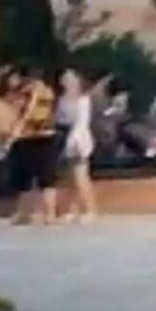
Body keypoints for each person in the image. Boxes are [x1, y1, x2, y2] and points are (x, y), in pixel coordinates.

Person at [9, 67, 60, 225]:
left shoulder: (33, 90)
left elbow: (29, 109)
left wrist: (18, 126)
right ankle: (46, 214)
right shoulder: (47, 91)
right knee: (43, 178)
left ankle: (29, 214)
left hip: (34, 136)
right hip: (41, 136)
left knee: (30, 177)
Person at [56, 68, 97, 224]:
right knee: (71, 178)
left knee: (81, 177)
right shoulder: (62, 99)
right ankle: (73, 210)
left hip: (80, 139)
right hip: (68, 137)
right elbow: (61, 119)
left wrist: (76, 141)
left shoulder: (83, 99)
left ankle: (90, 210)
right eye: (65, 78)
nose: (67, 81)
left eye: (70, 78)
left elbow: (82, 122)